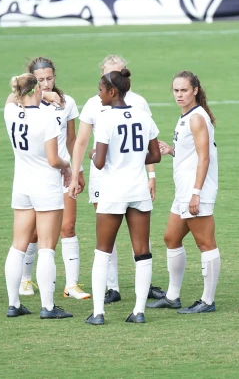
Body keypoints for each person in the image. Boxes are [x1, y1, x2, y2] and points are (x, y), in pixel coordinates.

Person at [68, 55, 165, 304]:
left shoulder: (109, 116)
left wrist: (93, 155)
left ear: (112, 89)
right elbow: (154, 153)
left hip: (112, 187)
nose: (99, 92)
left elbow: (99, 160)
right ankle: (138, 308)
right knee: (144, 249)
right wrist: (133, 159)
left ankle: (98, 311)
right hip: (136, 187)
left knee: (103, 247)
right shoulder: (141, 115)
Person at [147, 71, 220, 314]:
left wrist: (196, 192)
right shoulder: (186, 117)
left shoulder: (197, 118)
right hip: (184, 191)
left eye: (184, 90)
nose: (179, 95)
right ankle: (172, 296)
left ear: (195, 91)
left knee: (205, 243)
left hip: (194, 190)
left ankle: (207, 301)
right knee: (171, 238)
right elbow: (191, 153)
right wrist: (172, 150)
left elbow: (204, 157)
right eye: (176, 90)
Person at [17, 57, 90, 301]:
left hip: (63, 173)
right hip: (36, 175)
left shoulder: (67, 102)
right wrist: (42, 97)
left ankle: (71, 285)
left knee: (68, 227)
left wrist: (77, 171)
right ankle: (26, 279)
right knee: (35, 233)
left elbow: (71, 140)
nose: (46, 84)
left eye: (50, 78)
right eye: (40, 80)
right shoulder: (22, 104)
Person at [3, 73, 73, 319]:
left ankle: (13, 304)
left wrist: (28, 89)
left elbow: (11, 98)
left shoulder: (11, 113)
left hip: (21, 186)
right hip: (45, 187)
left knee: (18, 246)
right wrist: (68, 166)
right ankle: (48, 307)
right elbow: (54, 159)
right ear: (35, 91)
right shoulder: (47, 118)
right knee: (46, 249)